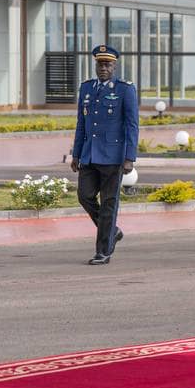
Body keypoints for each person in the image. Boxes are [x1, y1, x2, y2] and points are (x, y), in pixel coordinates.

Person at [71, 44, 139, 265]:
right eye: (100, 64)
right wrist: (76, 154)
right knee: (84, 196)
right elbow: (81, 124)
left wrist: (129, 157)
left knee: (109, 203)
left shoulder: (125, 89)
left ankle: (103, 251)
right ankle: (112, 231)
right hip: (89, 154)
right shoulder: (87, 88)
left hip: (113, 155)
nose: (103, 68)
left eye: (107, 64)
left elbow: (132, 126)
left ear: (114, 66)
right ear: (95, 65)